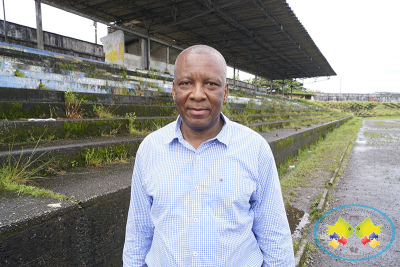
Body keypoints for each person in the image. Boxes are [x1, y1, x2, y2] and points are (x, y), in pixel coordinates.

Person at [123, 45, 295, 266]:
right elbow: (138, 234)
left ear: (225, 92)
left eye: (211, 84)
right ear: (174, 90)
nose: (197, 95)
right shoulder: (150, 149)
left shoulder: (255, 149)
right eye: (186, 83)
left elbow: (274, 237)